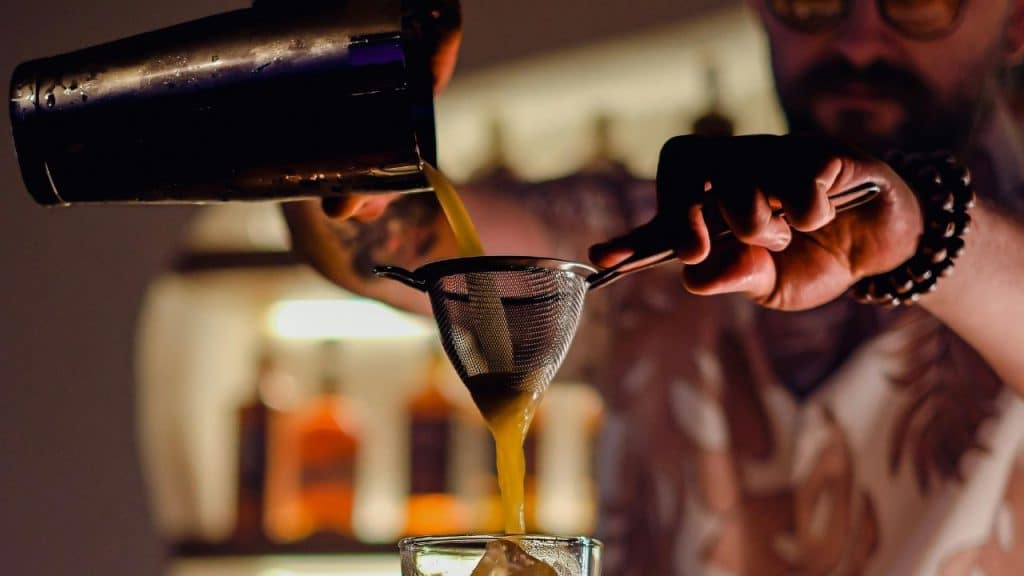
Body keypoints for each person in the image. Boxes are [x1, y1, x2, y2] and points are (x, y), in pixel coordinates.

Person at [283, 0, 1024, 573]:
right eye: (810, 0)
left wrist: (927, 233)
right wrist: (327, 100)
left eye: (923, 2)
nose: (859, 39)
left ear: (1017, 20)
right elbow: (371, 242)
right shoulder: (656, 237)